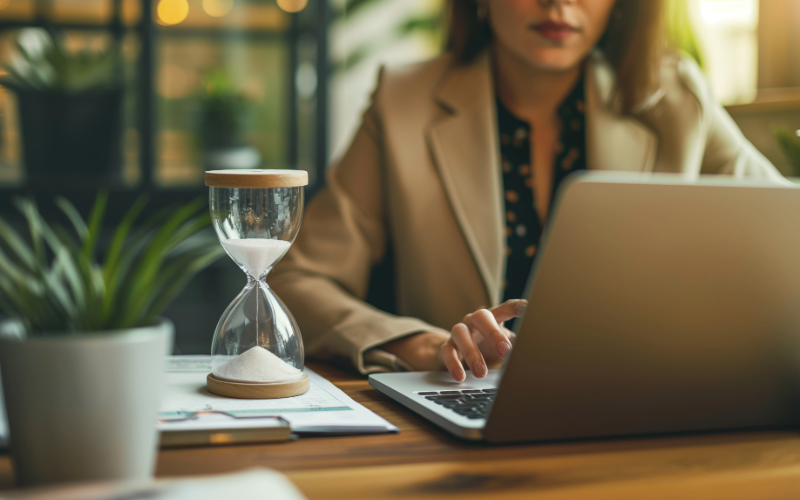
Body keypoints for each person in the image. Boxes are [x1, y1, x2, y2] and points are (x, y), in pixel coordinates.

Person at [271, 0, 784, 381]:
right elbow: (298, 279)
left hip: (644, 396)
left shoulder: (677, 98)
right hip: (466, 405)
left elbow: (786, 230)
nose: (557, 2)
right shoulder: (402, 101)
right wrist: (421, 344)